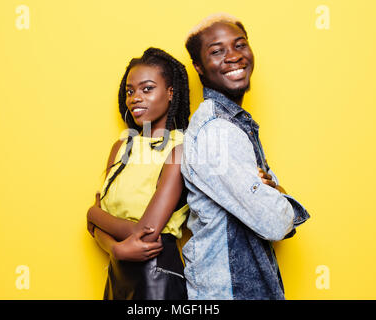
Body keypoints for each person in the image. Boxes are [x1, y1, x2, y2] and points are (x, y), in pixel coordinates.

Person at [181, 13, 310, 300]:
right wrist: (280, 194)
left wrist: (274, 194)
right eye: (217, 51)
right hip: (228, 292)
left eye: (240, 45)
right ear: (199, 67)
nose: (233, 57)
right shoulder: (217, 132)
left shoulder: (235, 124)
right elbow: (274, 223)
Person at [86, 48, 191, 300]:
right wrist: (115, 249)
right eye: (130, 91)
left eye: (147, 89)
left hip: (158, 276)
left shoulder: (182, 148)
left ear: (170, 93)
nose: (135, 98)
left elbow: (146, 232)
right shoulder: (121, 146)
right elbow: (97, 225)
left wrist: (92, 214)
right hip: (117, 274)